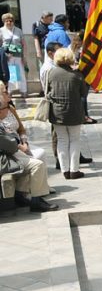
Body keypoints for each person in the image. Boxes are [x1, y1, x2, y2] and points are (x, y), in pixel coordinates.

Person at [0, 83, 57, 211]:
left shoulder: (10, 109)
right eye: (5, 92)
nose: (8, 94)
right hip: (8, 153)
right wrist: (20, 147)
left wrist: (24, 142)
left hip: (15, 146)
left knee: (40, 154)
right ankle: (35, 200)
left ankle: (27, 194)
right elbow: (7, 143)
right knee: (36, 164)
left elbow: (21, 129)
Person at [46, 48, 88, 180]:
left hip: (57, 112)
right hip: (74, 111)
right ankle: (74, 170)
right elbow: (84, 94)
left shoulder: (51, 73)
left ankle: (65, 170)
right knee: (74, 140)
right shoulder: (77, 75)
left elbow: (47, 91)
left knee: (62, 140)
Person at [1, 13, 27, 95]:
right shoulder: (1, 31)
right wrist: (4, 55)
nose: (9, 22)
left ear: (13, 21)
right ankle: (10, 91)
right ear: (3, 21)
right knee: (9, 73)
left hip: (18, 55)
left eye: (10, 21)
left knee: (21, 73)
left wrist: (24, 56)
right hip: (7, 56)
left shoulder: (18, 30)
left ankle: (24, 91)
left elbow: (23, 44)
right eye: (6, 21)